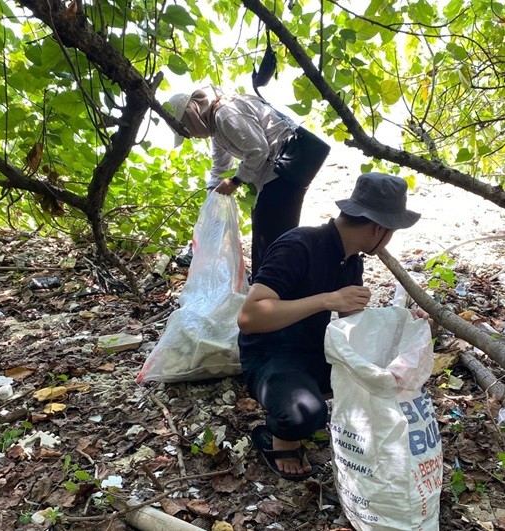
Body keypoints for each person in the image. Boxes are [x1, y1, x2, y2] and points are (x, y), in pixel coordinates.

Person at [236, 172, 421, 481]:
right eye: (391, 232)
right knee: (305, 414)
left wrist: (403, 328)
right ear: (379, 228)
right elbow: (249, 317)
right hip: (271, 354)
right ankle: (279, 437)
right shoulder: (299, 245)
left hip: (315, 349)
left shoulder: (351, 260)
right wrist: (325, 300)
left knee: (387, 379)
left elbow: (354, 323)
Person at [165, 87, 330, 276]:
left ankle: (277, 287)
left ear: (191, 116)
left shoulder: (225, 115)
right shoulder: (216, 127)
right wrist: (212, 192)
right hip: (274, 176)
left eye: (186, 128)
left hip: (282, 172)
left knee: (274, 236)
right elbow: (220, 165)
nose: (190, 135)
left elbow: (259, 150)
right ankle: (268, 286)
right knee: (266, 233)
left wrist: (235, 181)